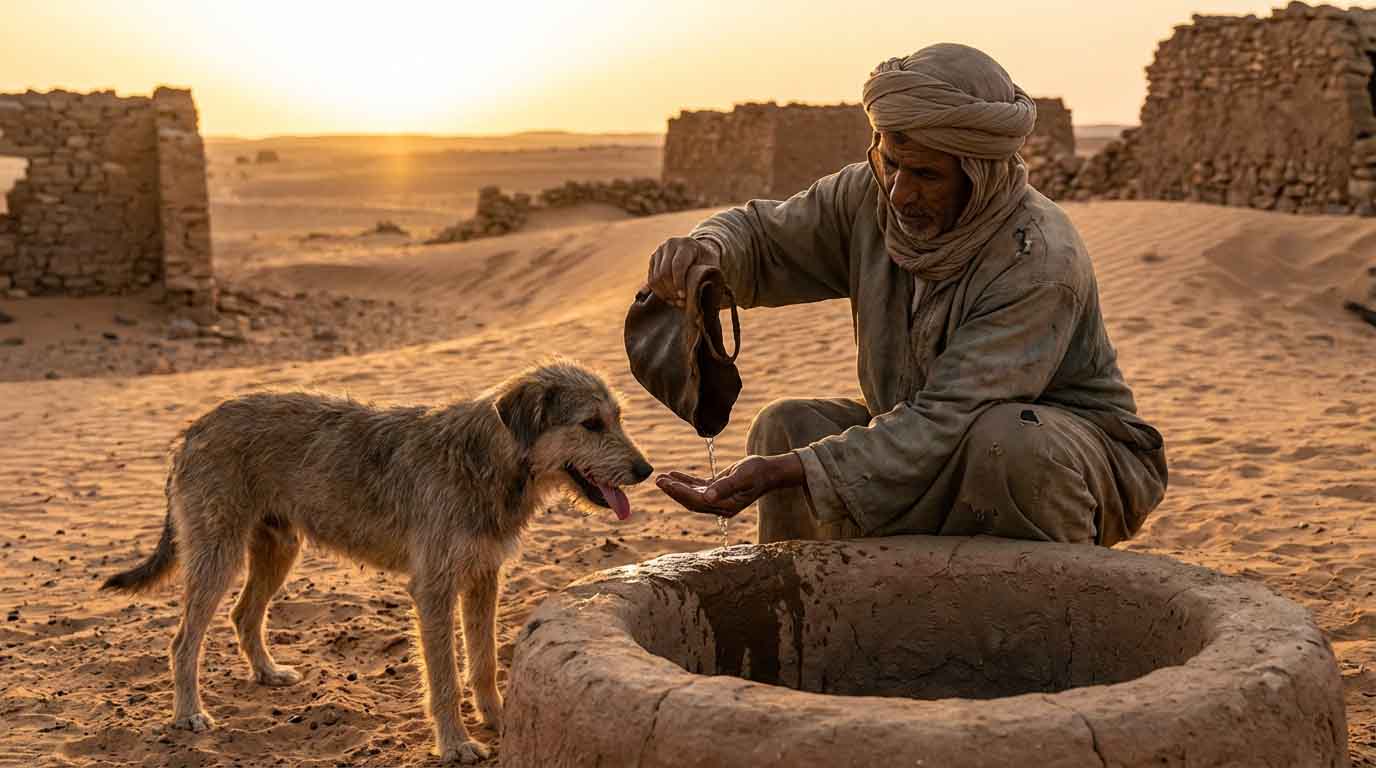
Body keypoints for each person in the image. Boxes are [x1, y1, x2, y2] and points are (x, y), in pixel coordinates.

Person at [649, 43, 1166, 547]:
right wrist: (706, 253)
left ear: (978, 175)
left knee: (1009, 446)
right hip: (928, 443)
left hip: (1061, 461)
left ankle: (1036, 618)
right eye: (891, 163)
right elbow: (766, 238)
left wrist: (796, 470)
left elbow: (949, 417)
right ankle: (813, 612)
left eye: (925, 175)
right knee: (787, 428)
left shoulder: (1037, 259)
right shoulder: (868, 198)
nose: (898, 192)